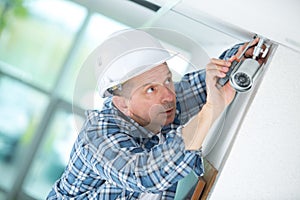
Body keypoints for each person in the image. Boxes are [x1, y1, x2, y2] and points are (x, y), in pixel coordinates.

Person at [47, 29, 258, 199]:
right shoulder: (95, 138)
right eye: (150, 89)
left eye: (167, 79)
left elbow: (205, 84)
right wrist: (210, 111)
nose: (168, 95)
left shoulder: (163, 103)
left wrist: (241, 56)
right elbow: (146, 175)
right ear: (121, 103)